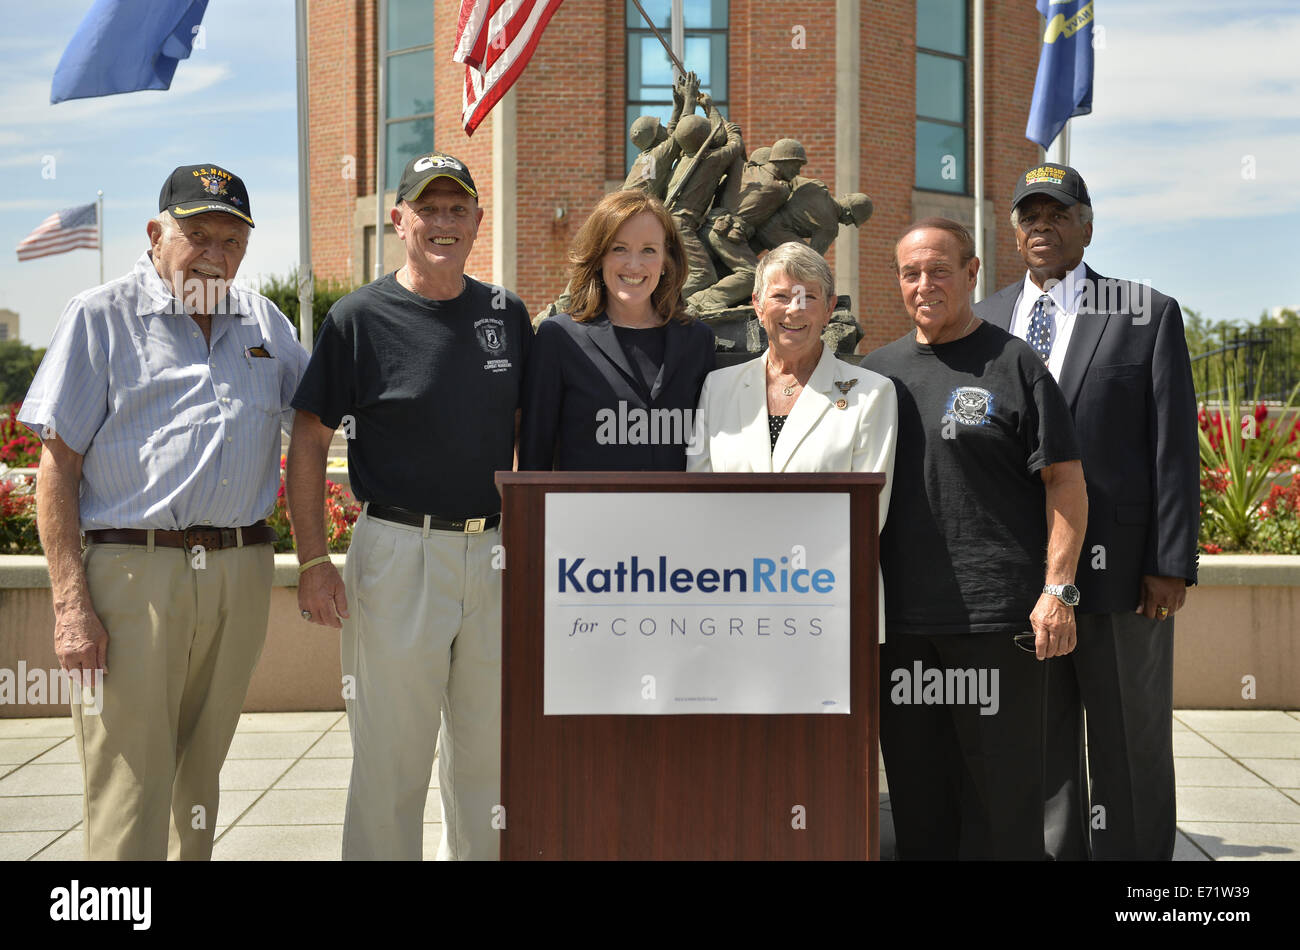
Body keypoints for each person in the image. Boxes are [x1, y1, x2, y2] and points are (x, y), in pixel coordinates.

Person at [17, 164, 307, 860]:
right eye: (197, 233)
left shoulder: (263, 321)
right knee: (129, 780)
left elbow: (320, 425)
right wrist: (69, 605)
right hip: (132, 575)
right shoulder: (100, 317)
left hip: (240, 570)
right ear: (156, 233)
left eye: (231, 240)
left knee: (201, 775)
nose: (215, 252)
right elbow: (56, 470)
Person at [287, 151, 532, 861]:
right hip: (397, 552)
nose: (444, 222)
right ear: (399, 220)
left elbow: (527, 434)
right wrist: (312, 560)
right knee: (392, 763)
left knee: (490, 764)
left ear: (478, 222)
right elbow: (308, 441)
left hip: (493, 553)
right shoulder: (357, 318)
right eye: (429, 207)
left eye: (458, 209)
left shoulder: (506, 314)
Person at [974, 164, 1199, 860]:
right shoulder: (984, 318)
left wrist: (1169, 564)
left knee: (1128, 741)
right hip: (1020, 576)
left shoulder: (1145, 312)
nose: (1042, 226)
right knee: (1042, 747)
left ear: (1087, 225)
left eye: (1058, 214)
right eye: (1029, 217)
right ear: (1014, 232)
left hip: (1123, 578)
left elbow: (1174, 448)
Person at [861, 218, 1089, 860]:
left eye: (939, 269)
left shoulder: (1015, 364)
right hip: (900, 626)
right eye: (911, 272)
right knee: (917, 797)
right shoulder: (877, 375)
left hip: (995, 624)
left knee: (1004, 801)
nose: (924, 284)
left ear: (971, 273)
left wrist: (1059, 590)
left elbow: (1066, 483)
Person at [519, 190, 714, 471]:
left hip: (678, 513)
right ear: (599, 258)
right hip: (588, 513)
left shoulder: (697, 340)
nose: (634, 265)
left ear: (665, 261)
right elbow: (535, 456)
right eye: (619, 248)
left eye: (649, 250)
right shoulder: (559, 338)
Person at [689, 139, 806, 313]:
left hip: (708, 227)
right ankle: (702, 300)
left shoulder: (742, 169)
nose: (797, 171)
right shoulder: (779, 190)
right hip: (728, 235)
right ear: (782, 161)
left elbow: (736, 152)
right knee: (753, 275)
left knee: (709, 273)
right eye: (796, 165)